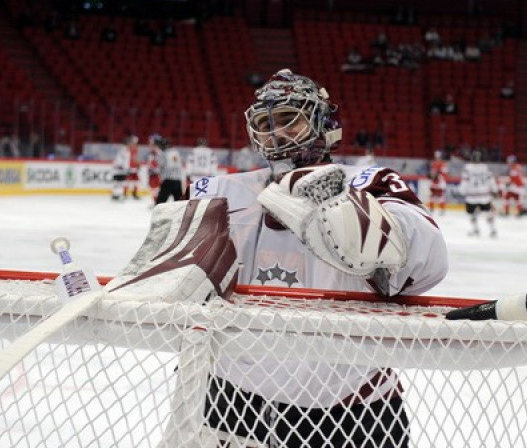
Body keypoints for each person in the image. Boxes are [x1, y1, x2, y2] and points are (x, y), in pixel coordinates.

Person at [190, 68, 448, 447]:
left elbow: (429, 264)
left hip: (352, 403)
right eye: (266, 123)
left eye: (290, 121)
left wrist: (347, 212)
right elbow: (178, 278)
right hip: (233, 397)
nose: (277, 134)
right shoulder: (221, 192)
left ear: (322, 123)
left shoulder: (367, 183)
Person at [458, 150, 499, 237]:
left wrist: (461, 191)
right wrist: (495, 189)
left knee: (472, 213)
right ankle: (493, 230)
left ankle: (475, 229)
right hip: (484, 194)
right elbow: (491, 179)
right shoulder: (485, 167)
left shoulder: (467, 168)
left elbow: (465, 181)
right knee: (487, 213)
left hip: (472, 195)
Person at [146, 134, 165, 203]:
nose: (149, 144)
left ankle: (157, 202)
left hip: (157, 174)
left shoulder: (159, 153)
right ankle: (156, 202)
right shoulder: (152, 153)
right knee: (153, 189)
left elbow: (161, 164)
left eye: (151, 143)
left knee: (156, 189)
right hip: (153, 174)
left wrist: (156, 169)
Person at [428, 150, 448, 215]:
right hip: (434, 182)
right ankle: (431, 209)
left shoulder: (443, 164)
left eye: (438, 156)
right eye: (436, 156)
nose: (437, 158)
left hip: (440, 182)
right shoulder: (433, 163)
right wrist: (431, 175)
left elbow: (445, 173)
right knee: (432, 196)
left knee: (440, 196)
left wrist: (439, 176)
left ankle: (442, 210)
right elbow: (432, 172)